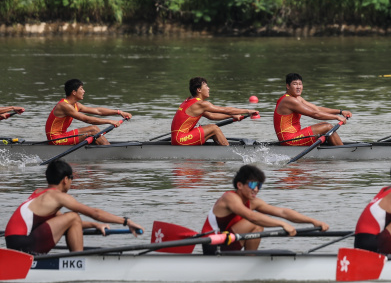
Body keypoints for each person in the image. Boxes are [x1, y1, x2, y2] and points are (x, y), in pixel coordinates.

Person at [3, 161, 144, 254]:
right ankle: (78, 262)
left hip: (14, 244)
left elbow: (63, 222)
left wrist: (95, 225)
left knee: (71, 218)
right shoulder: (57, 196)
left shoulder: (39, 193)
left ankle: (76, 259)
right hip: (23, 246)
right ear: (65, 179)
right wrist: (126, 221)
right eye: (72, 179)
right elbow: (95, 213)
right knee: (73, 216)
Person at [200, 164, 330, 255]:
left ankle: (249, 259)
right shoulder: (229, 198)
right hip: (212, 245)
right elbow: (251, 217)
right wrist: (282, 224)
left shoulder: (253, 202)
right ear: (239, 185)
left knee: (257, 226)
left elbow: (283, 212)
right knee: (255, 223)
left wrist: (313, 221)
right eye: (252, 184)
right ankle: (247, 261)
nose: (256, 189)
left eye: (259, 185)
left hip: (228, 242)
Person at [171, 77, 259, 146]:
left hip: (178, 138)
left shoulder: (190, 101)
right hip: (181, 139)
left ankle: (220, 151)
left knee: (210, 129)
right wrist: (248, 111)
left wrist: (232, 116)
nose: (208, 88)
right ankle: (228, 152)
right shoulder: (200, 104)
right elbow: (226, 110)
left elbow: (212, 116)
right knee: (214, 128)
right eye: (206, 86)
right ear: (199, 90)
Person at [46, 79, 131, 145]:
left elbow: (98, 111)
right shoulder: (64, 105)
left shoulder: (76, 105)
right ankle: (108, 149)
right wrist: (110, 121)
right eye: (81, 89)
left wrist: (119, 112)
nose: (84, 91)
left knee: (94, 129)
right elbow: (87, 119)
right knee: (93, 131)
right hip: (56, 139)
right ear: (74, 92)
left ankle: (105, 146)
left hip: (63, 135)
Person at [274, 73, 351, 146]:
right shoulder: (289, 100)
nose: (298, 87)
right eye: (295, 84)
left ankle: (335, 147)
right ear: (288, 86)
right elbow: (315, 114)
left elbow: (316, 109)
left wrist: (340, 112)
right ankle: (343, 150)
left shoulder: (297, 98)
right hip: (289, 140)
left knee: (323, 124)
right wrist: (337, 117)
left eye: (300, 84)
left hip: (296, 135)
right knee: (328, 127)